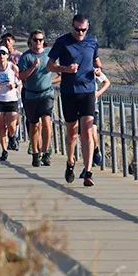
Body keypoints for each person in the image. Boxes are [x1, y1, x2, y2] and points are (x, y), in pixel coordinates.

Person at [47, 14, 101, 187]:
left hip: (88, 91)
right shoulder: (62, 42)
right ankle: (70, 162)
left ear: (88, 28)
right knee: (72, 133)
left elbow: (97, 61)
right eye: (77, 29)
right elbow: (49, 65)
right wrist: (64, 69)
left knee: (87, 130)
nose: (80, 33)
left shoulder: (92, 41)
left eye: (83, 30)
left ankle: (88, 171)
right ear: (72, 27)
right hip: (69, 92)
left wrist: (98, 70)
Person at [18, 30, 57, 167]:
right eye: (35, 40)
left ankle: (46, 152)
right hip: (31, 94)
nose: (38, 42)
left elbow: (58, 71)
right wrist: (33, 67)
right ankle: (35, 153)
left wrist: (51, 82)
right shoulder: (26, 57)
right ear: (31, 41)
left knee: (47, 121)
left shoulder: (48, 54)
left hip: (46, 94)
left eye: (40, 40)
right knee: (33, 125)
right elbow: (21, 76)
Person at [0, 33, 23, 150]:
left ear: (13, 42)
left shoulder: (19, 56)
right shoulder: (0, 56)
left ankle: (15, 137)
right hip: (2, 93)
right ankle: (11, 139)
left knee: (15, 116)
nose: (7, 43)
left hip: (16, 91)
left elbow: (22, 74)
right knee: (4, 118)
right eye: (4, 41)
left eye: (9, 40)